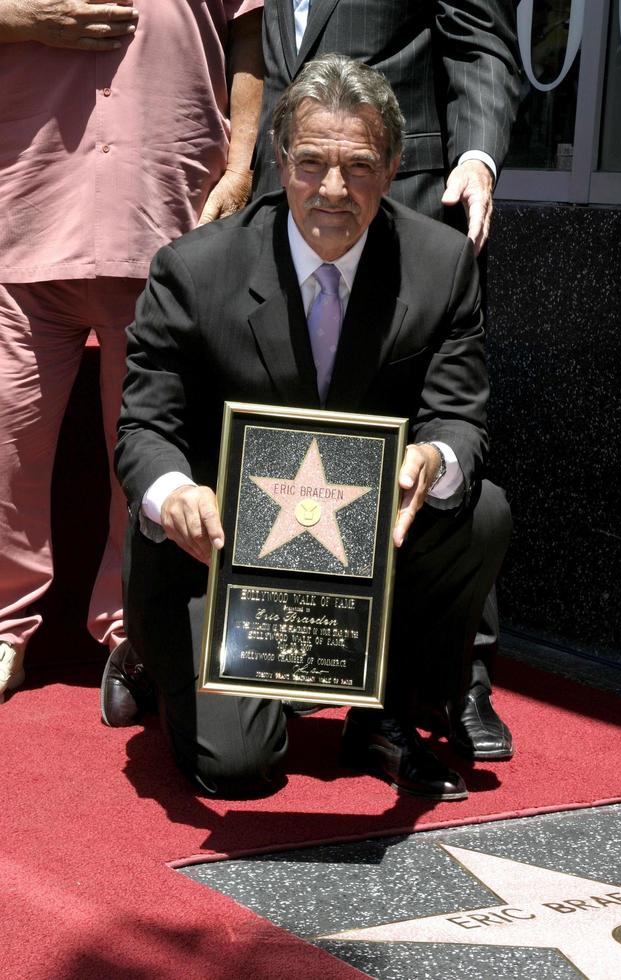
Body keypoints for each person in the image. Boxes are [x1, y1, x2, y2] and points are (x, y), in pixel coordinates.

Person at [107, 54, 512, 799]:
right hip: (221, 552)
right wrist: (175, 496)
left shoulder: (441, 264)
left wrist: (433, 457)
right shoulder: (193, 272)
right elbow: (144, 430)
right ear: (279, 162)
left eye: (358, 167)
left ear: (392, 168)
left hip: (362, 535)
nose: (333, 190)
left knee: (479, 508)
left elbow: (460, 415)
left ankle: (387, 711)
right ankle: (156, 657)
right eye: (311, 163)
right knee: (238, 769)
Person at [252, 0, 521, 760]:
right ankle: (293, 651)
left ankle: (457, 676)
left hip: (408, 200)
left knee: (438, 445)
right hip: (289, 204)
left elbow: (479, 40)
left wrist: (478, 155)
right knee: (289, 422)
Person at [0, 0, 264, 704]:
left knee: (149, 446)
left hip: (168, 202)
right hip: (25, 197)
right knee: (7, 446)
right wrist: (20, 16)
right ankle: (4, 630)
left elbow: (248, 30)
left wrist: (242, 164)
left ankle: (134, 634)